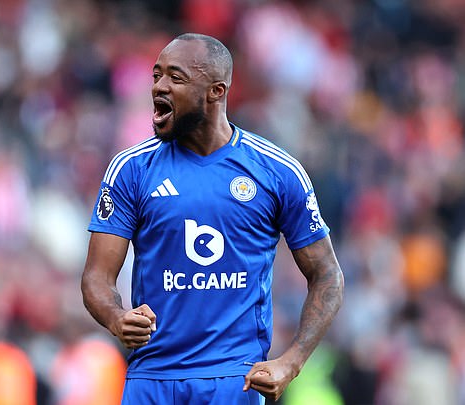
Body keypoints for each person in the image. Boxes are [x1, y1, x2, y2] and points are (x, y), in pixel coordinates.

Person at [81, 33, 344, 404]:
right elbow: (96, 276)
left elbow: (328, 275)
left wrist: (292, 362)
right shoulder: (131, 169)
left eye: (175, 77)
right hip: (151, 379)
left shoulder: (276, 171)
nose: (159, 86)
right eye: (156, 76)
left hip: (233, 381)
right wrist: (115, 317)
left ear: (215, 92)